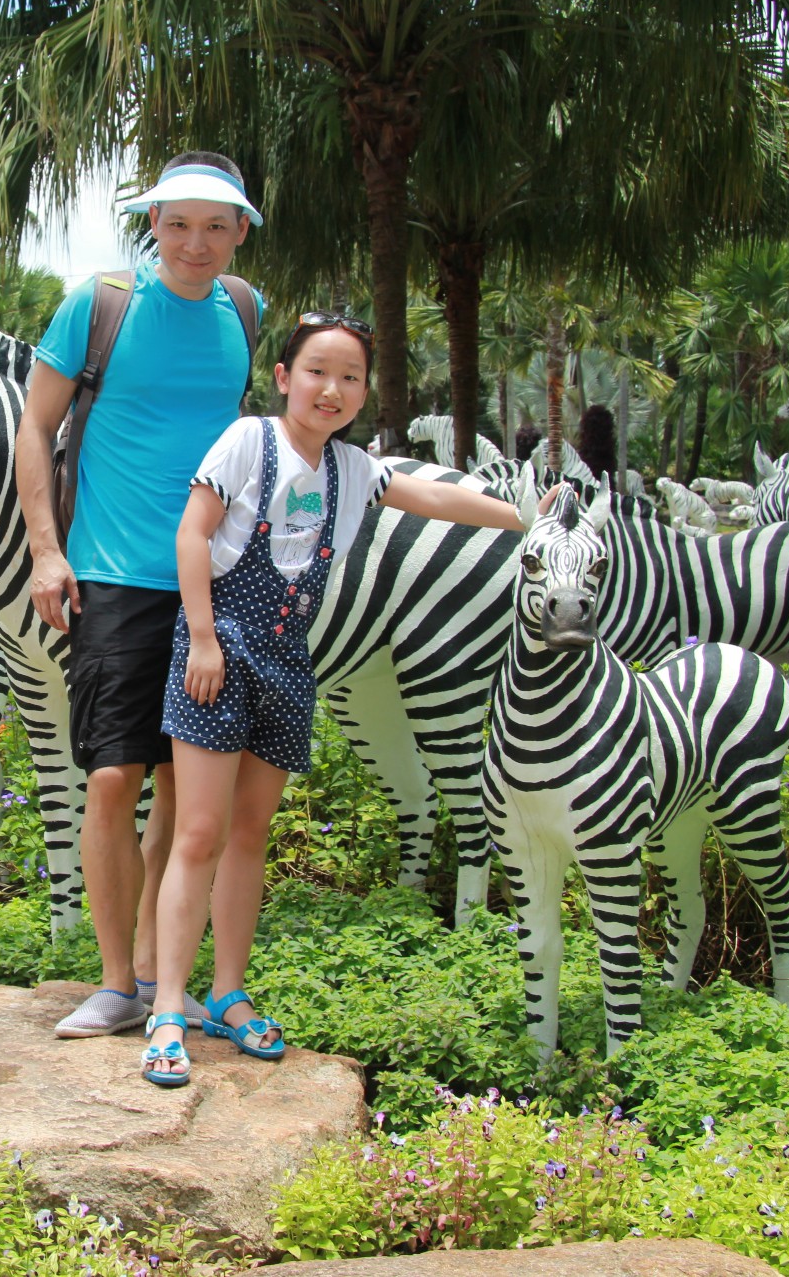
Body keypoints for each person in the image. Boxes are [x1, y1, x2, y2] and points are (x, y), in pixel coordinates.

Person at [139, 315, 546, 1087]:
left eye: (351, 376)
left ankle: (228, 992)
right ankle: (166, 1005)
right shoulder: (247, 442)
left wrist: (526, 518)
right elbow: (194, 535)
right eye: (317, 371)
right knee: (198, 831)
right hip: (218, 649)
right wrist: (201, 637)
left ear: (364, 391)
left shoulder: (355, 469)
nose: (333, 389)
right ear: (284, 376)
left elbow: (434, 498)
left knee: (250, 835)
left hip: (291, 660)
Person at [15, 152, 265, 1038]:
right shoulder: (101, 305)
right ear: (152, 224)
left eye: (216, 226)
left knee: (179, 782)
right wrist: (47, 553)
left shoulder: (244, 311)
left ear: (240, 232)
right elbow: (34, 428)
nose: (195, 244)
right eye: (178, 223)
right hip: (114, 573)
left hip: (217, 581)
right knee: (114, 774)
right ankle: (115, 979)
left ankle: (162, 975)